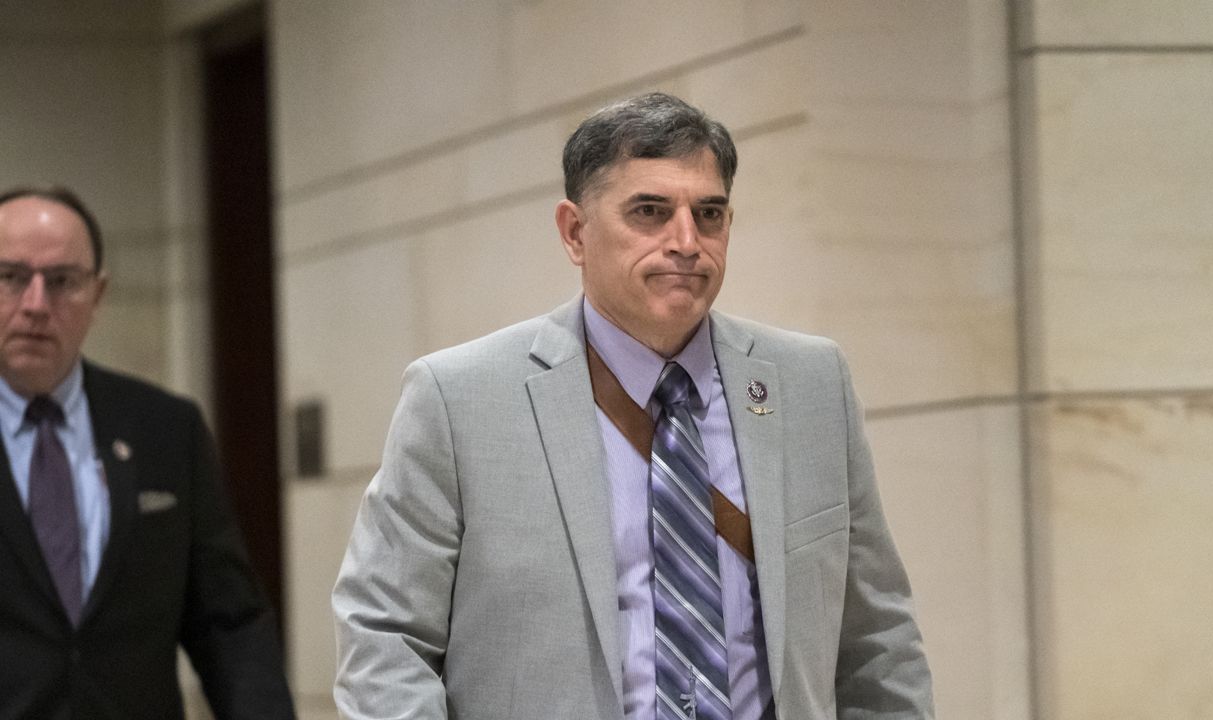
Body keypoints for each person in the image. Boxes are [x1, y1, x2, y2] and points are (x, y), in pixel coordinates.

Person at [333, 93, 933, 719]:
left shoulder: (810, 385)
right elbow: (385, 636)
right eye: (649, 211)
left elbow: (875, 641)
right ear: (574, 232)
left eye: (709, 214)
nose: (686, 241)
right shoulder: (459, 399)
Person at [0, 186, 296, 719]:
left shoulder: (166, 429)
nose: (36, 305)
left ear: (98, 294)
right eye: (11, 277)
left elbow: (228, 623)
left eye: (63, 281)